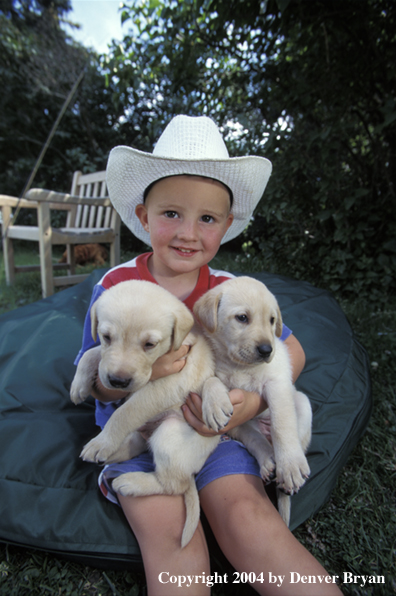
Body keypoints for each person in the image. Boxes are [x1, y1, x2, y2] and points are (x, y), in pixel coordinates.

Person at [75, 115, 342, 595]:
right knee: (171, 539)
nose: (188, 233)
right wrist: (141, 369)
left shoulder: (227, 290)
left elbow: (288, 348)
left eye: (207, 218)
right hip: (137, 437)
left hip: (218, 436)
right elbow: (95, 374)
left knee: (249, 516)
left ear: (227, 225)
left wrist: (253, 404)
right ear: (143, 216)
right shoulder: (113, 285)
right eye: (171, 213)